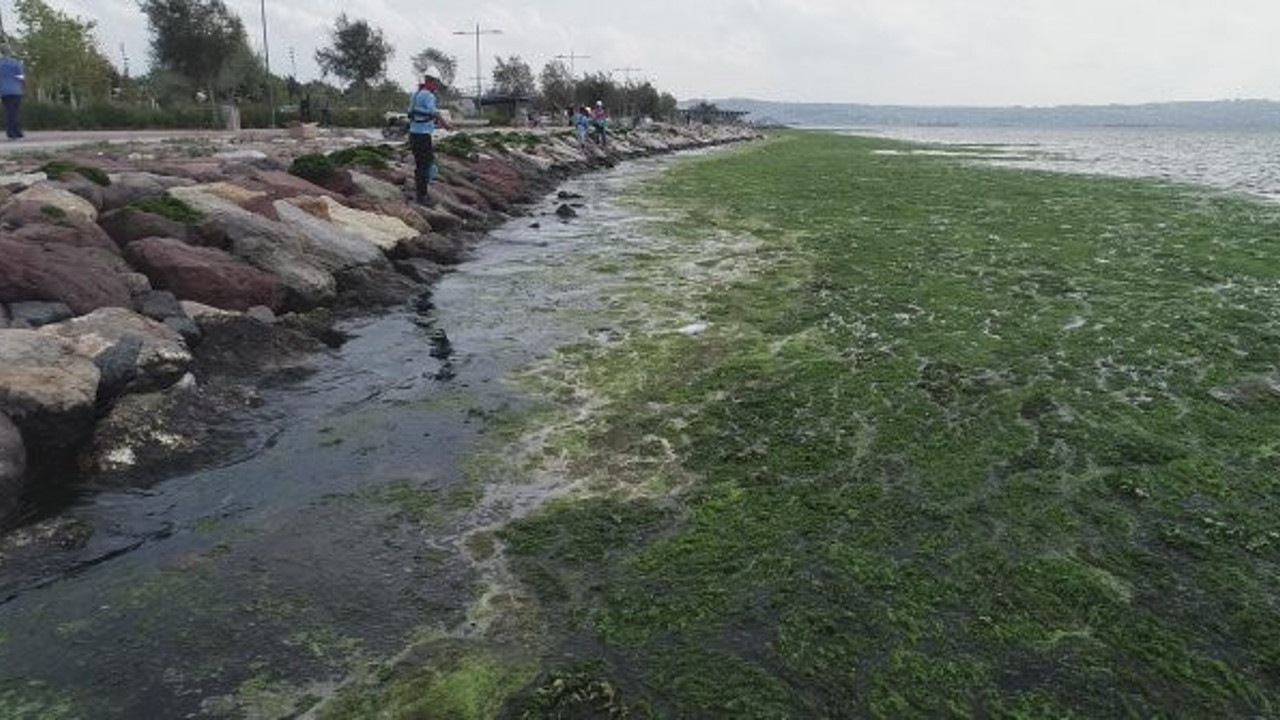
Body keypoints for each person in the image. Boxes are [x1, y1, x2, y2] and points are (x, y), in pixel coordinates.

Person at [408, 66, 453, 206]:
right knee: (426, 166)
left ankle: (420, 194)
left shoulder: (415, 94)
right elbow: (434, 113)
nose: (436, 86)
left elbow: (414, 115)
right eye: (436, 83)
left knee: (420, 165)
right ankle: (422, 197)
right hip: (422, 137)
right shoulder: (428, 95)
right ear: (432, 81)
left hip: (413, 134)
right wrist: (446, 125)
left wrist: (435, 125)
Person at [0, 43, 25, 142]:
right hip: (15, 90)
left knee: (9, 112)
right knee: (14, 112)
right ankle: (15, 134)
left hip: (4, 91)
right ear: (10, 51)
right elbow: (21, 77)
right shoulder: (16, 63)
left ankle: (13, 133)